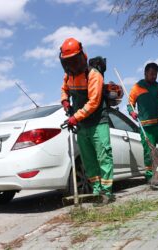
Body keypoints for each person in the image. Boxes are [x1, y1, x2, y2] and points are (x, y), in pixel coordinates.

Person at [59, 37, 114, 203]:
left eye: (74, 61)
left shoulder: (93, 74)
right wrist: (65, 101)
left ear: (81, 57)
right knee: (88, 159)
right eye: (68, 62)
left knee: (103, 155)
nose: (71, 65)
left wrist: (75, 117)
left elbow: (94, 102)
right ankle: (96, 190)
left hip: (98, 121)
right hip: (82, 124)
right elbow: (64, 89)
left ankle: (107, 192)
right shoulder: (69, 76)